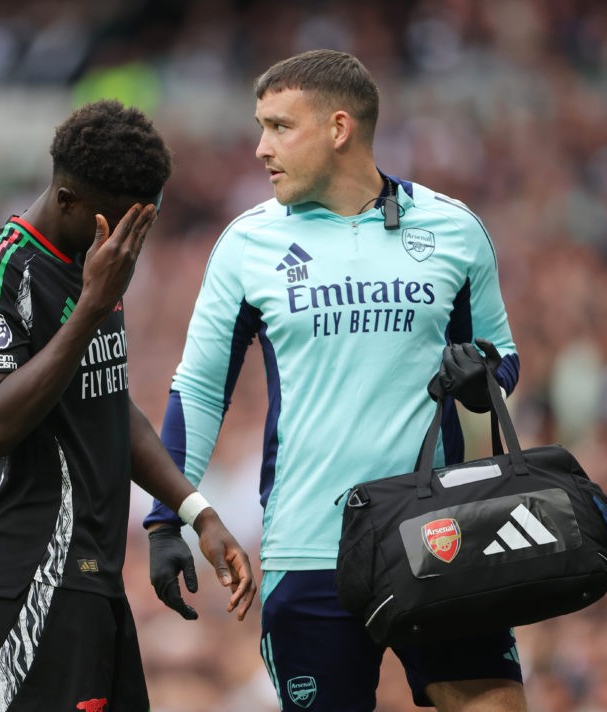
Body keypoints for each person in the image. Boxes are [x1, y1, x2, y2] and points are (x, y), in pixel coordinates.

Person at [144, 50, 526, 711]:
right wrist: (164, 521)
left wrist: (480, 376)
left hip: (441, 535)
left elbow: (504, 360)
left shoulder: (454, 230)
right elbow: (200, 389)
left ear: (340, 128)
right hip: (311, 549)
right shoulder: (246, 246)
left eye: (280, 126)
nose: (262, 148)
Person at [0, 99, 256, 712]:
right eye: (119, 222)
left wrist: (196, 512)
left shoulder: (94, 263)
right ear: (66, 200)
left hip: (90, 564)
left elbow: (111, 406)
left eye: (144, 223)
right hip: (27, 564)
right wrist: (91, 306)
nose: (130, 241)